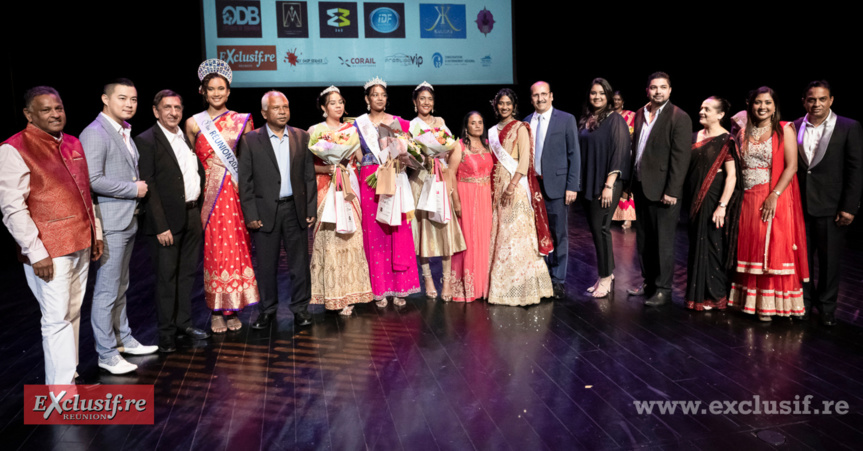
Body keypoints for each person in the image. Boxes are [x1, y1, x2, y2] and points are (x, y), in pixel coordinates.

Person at [0, 87, 103, 384]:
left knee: (71, 313)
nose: (55, 114)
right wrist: (35, 252)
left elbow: (86, 193)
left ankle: (67, 379)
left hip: (80, 241)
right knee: (56, 318)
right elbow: (12, 208)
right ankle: (59, 391)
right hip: (49, 250)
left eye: (58, 108)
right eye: (46, 110)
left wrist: (96, 232)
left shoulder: (72, 142)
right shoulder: (14, 148)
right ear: (29, 114)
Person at [81, 78, 158, 375]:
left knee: (121, 286)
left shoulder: (123, 130)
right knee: (106, 291)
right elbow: (92, 179)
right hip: (111, 221)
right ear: (105, 99)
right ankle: (106, 353)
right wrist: (132, 189)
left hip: (127, 219)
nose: (129, 104)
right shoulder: (95, 133)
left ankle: (123, 339)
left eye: (134, 99)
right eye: (123, 98)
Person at [184, 59, 259, 333]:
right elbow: (188, 164)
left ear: (229, 91)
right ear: (202, 91)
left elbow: (247, 163)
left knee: (237, 249)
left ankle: (234, 307)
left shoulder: (242, 121)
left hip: (235, 194)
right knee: (214, 251)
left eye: (221, 88)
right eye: (211, 89)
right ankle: (216, 309)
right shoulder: (193, 123)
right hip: (208, 197)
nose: (216, 93)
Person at [135, 90, 210, 353]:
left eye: (177, 107)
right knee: (166, 278)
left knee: (187, 274)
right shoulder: (146, 140)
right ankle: (166, 333)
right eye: (167, 107)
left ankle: (183, 323)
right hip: (166, 221)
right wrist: (160, 226)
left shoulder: (184, 137)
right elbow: (149, 185)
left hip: (191, 215)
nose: (173, 112)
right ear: (156, 111)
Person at [728, 87, 809, 321]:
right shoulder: (743, 132)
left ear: (775, 106)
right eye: (757, 103)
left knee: (772, 249)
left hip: (774, 196)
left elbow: (791, 166)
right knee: (750, 248)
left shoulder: (785, 130)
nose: (762, 107)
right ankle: (750, 304)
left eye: (767, 103)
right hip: (747, 197)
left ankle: (772, 307)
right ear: (750, 105)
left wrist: (774, 195)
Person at [238, 91, 315, 328]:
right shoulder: (250, 140)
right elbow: (246, 181)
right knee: (267, 266)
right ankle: (267, 310)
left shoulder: (301, 137)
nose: (282, 111)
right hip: (264, 213)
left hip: (295, 209)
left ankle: (301, 309)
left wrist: (310, 208)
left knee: (299, 265)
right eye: (276, 108)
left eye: (285, 107)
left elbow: (308, 177)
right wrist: (250, 214)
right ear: (264, 113)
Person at [793, 81, 863, 326]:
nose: (817, 104)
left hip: (832, 208)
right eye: (812, 99)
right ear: (804, 101)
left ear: (831, 100)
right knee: (802, 261)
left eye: (822, 99)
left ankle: (827, 309)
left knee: (829, 261)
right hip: (799, 206)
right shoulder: (793, 126)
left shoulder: (848, 127)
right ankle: (803, 303)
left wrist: (849, 207)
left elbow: (855, 169)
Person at [627, 72, 692, 307]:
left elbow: (680, 158)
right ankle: (649, 283)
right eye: (654, 87)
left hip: (665, 190)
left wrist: (672, 190)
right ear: (647, 90)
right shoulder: (639, 113)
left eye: (663, 87)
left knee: (663, 241)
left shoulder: (679, 117)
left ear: (670, 90)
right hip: (642, 185)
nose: (658, 92)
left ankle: (664, 288)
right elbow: (636, 150)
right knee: (644, 240)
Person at [307, 86, 373, 315]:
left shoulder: (351, 130)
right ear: (324, 107)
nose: (338, 106)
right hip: (325, 189)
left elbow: (360, 159)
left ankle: (351, 292)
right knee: (330, 241)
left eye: (341, 102)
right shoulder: (315, 131)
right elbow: (307, 166)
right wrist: (328, 167)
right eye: (333, 103)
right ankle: (330, 293)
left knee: (350, 238)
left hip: (348, 188)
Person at [354, 77, 420, 306]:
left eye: (383, 94)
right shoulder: (358, 124)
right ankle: (379, 288)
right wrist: (370, 167)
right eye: (375, 94)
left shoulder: (399, 123)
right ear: (367, 99)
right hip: (370, 179)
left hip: (394, 175)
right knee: (375, 233)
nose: (379, 98)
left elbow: (409, 152)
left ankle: (399, 287)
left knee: (396, 228)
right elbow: (357, 155)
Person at [487, 88, 554, 305]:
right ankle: (500, 287)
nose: (504, 107)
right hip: (495, 190)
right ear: (495, 105)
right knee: (500, 238)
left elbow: (525, 161)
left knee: (516, 238)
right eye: (501, 103)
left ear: (514, 106)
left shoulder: (520, 128)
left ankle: (523, 288)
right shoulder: (491, 131)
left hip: (514, 189)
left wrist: (512, 185)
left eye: (508, 103)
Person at [409, 81, 466, 301]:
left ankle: (447, 280)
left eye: (429, 99)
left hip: (440, 178)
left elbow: (454, 147)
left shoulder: (441, 122)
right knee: (422, 230)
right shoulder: (411, 125)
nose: (426, 102)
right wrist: (421, 158)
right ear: (415, 102)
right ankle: (428, 279)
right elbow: (407, 155)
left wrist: (449, 169)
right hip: (420, 180)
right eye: (421, 98)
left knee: (444, 228)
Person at [685, 97, 742, 311]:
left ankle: (714, 295)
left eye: (707, 109)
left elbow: (732, 177)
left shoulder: (726, 140)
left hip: (714, 199)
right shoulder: (693, 137)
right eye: (700, 108)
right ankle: (696, 296)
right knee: (695, 246)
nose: (701, 111)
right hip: (693, 198)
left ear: (720, 115)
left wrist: (722, 205)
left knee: (712, 245)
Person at [524, 81, 580, 298]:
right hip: (533, 187)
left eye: (544, 94)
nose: (540, 99)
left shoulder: (566, 119)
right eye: (536, 95)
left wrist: (572, 186)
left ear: (552, 96)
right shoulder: (526, 122)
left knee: (558, 234)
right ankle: (541, 275)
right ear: (531, 99)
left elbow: (574, 154)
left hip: (557, 187)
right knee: (536, 233)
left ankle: (558, 279)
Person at [577, 78, 631, 298]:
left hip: (607, 183)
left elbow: (619, 152)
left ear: (608, 96)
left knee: (602, 229)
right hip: (590, 181)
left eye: (601, 93)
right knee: (596, 230)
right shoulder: (587, 119)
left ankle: (607, 277)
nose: (596, 97)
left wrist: (609, 185)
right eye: (593, 93)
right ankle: (603, 274)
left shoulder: (615, 119)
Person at [448, 111, 494, 302]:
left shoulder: (487, 146)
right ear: (466, 126)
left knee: (484, 240)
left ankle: (483, 286)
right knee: (468, 241)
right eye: (473, 123)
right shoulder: (459, 146)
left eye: (480, 122)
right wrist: (456, 202)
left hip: (484, 198)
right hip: (466, 196)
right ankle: (467, 287)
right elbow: (450, 173)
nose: (477, 126)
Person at [612, 90, 637, 229]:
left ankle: (628, 218)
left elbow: (635, 133)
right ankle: (612, 216)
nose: (616, 102)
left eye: (618, 99)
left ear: (623, 101)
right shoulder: (607, 115)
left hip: (626, 154)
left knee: (626, 187)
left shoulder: (631, 115)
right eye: (613, 99)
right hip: (611, 155)